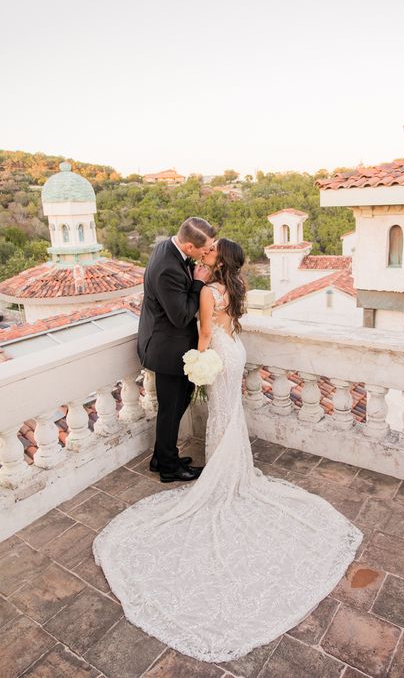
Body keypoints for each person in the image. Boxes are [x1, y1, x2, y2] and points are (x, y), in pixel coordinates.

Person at [94, 238, 362, 663]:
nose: (207, 253)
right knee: (228, 414)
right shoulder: (233, 287)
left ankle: (224, 476)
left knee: (221, 414)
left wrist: (197, 364)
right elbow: (227, 326)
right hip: (235, 351)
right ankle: (232, 472)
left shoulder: (205, 290)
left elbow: (202, 333)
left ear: (218, 261)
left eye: (212, 251)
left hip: (217, 354)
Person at [137, 217, 216, 482]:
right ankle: (169, 468)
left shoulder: (168, 247)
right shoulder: (167, 268)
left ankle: (162, 457)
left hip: (170, 345)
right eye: (204, 250)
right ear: (189, 246)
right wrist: (198, 283)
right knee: (171, 409)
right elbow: (182, 316)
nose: (205, 255)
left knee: (178, 403)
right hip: (165, 348)